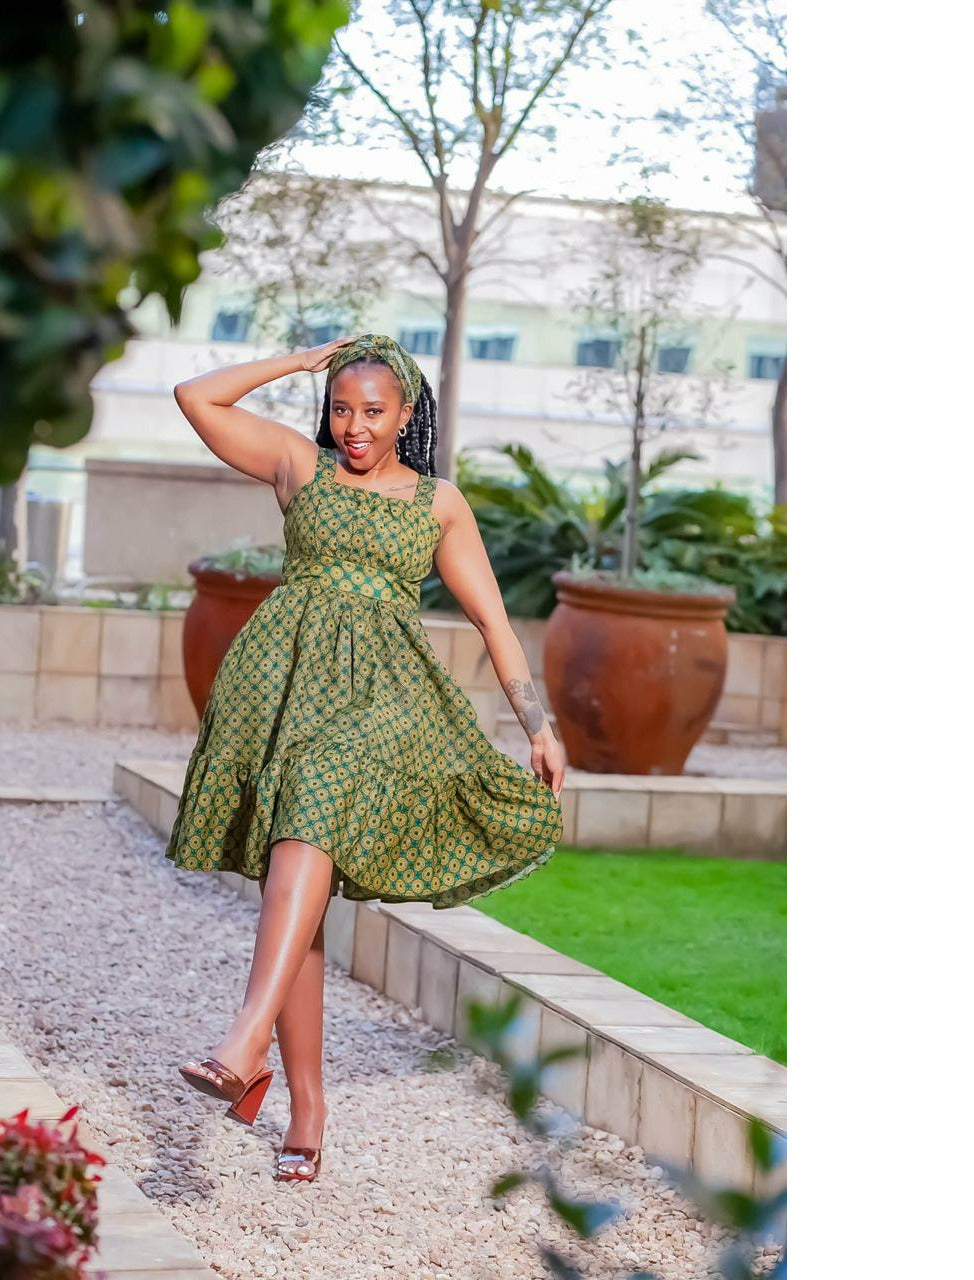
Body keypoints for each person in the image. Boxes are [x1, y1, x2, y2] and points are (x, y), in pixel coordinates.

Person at [164, 332, 566, 1183]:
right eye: (342, 409)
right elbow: (196, 396)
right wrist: (299, 360)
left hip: (383, 695)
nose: (354, 427)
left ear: (407, 413)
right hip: (281, 685)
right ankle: (304, 1108)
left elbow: (493, 620)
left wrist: (539, 723)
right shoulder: (296, 465)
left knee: (313, 809)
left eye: (374, 412)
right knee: (296, 881)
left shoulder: (437, 503)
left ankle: (243, 1042)